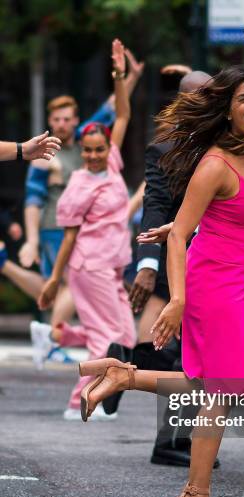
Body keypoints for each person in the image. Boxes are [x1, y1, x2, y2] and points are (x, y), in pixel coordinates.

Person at [77, 63, 244, 497]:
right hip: (210, 282)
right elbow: (179, 237)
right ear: (226, 107)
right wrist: (178, 300)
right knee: (226, 389)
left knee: (204, 381)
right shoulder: (213, 164)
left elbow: (232, 213)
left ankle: (123, 374)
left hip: (238, 279)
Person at [104, 32, 244, 468]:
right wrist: (150, 268)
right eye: (204, 93)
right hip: (191, 264)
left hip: (224, 259)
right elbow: (159, 206)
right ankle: (181, 465)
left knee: (204, 375)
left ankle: (126, 374)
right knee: (212, 375)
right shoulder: (179, 151)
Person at [0, 46, 143, 366]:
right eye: (56, 119)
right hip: (70, 239)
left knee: (108, 324)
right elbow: (35, 201)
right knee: (79, 300)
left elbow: (117, 113)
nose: (63, 124)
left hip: (104, 248)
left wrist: (124, 77)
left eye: (68, 119)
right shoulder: (58, 167)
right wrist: (33, 239)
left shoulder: (91, 145)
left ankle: (50, 335)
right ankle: (66, 360)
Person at [36, 39, 136, 421]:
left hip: (112, 267)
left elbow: (123, 116)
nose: (94, 155)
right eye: (88, 149)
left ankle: (58, 335)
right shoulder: (78, 184)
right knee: (104, 336)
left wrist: (120, 77)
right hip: (88, 266)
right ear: (81, 148)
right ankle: (83, 399)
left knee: (125, 336)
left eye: (99, 148)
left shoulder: (111, 164)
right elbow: (69, 238)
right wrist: (53, 280)